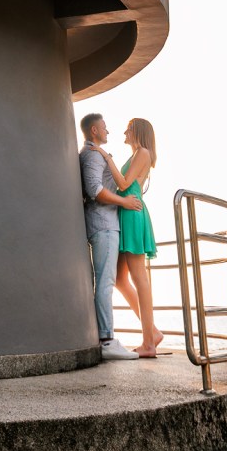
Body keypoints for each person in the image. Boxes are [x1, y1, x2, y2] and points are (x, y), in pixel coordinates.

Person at [78, 112, 142, 361]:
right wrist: (124, 201)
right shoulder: (93, 155)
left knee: (106, 281)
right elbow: (94, 189)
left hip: (105, 224)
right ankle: (106, 340)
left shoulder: (94, 154)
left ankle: (105, 337)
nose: (108, 131)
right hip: (103, 225)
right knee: (105, 282)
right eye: (104, 128)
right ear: (94, 131)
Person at [100, 117, 161, 357]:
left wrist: (108, 159)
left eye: (128, 128)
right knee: (119, 278)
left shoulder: (143, 152)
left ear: (137, 131)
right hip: (125, 215)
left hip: (133, 215)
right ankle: (153, 332)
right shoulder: (135, 155)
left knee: (139, 278)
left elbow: (124, 184)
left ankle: (149, 343)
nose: (124, 131)